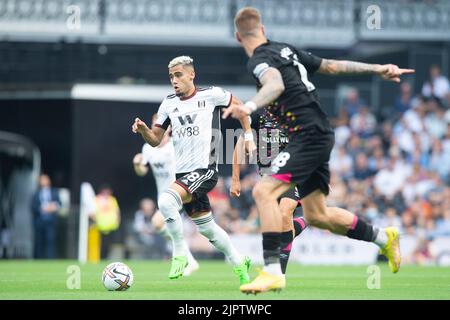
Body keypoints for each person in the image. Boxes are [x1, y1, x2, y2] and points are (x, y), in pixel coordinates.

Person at [224, 7, 415, 294]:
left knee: (263, 192)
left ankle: (272, 271)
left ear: (238, 37)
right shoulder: (286, 49)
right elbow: (333, 66)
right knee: (317, 216)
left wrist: (249, 106)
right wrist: (378, 69)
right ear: (262, 29)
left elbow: (274, 84)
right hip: (319, 133)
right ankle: (383, 237)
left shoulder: (259, 61)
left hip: (307, 136)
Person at [132, 55, 253, 285]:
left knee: (166, 201)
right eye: (171, 77)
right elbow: (156, 140)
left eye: (178, 75)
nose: (174, 81)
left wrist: (247, 135)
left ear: (191, 75)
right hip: (183, 174)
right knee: (208, 230)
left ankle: (180, 255)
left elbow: (241, 108)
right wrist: (144, 130)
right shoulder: (168, 103)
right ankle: (240, 263)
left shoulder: (212, 95)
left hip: (205, 170)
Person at [230, 107, 307, 277]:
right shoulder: (259, 114)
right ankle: (306, 220)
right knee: (280, 226)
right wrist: (235, 179)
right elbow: (241, 143)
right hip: (268, 177)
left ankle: (279, 273)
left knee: (285, 212)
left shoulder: (296, 112)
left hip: (293, 173)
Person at [133, 120, 199, 276]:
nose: (159, 127)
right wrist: (137, 164)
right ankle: (189, 259)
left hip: (179, 191)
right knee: (166, 228)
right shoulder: (148, 148)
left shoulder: (175, 146)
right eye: (156, 124)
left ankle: (185, 258)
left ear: (169, 128)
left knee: (157, 221)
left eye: (162, 125)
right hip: (162, 196)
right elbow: (142, 171)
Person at [31, 174, 61, 259]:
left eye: (45, 179)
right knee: (39, 242)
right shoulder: (36, 193)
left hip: (51, 221)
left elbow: (59, 204)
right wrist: (43, 208)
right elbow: (33, 206)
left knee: (50, 241)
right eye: (41, 180)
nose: (43, 181)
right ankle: (38, 259)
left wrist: (52, 207)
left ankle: (50, 259)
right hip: (39, 221)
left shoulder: (54, 192)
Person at [91, 185, 121, 260]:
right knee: (100, 244)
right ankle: (99, 258)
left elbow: (117, 211)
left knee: (109, 244)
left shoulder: (112, 199)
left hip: (111, 226)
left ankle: (106, 258)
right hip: (99, 226)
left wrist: (118, 221)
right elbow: (92, 212)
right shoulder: (96, 199)